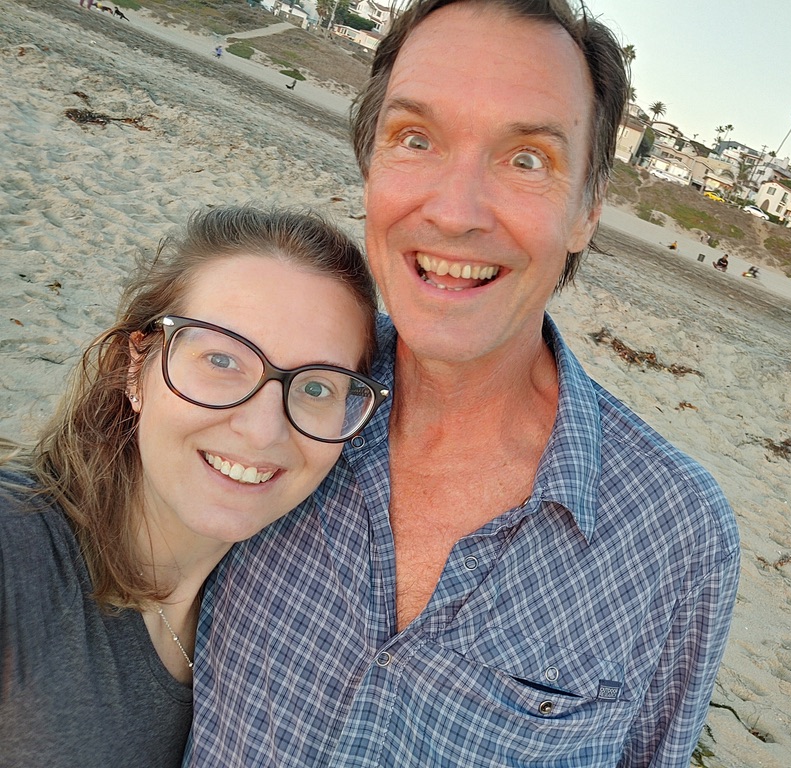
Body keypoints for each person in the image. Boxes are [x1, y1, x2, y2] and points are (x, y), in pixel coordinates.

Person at [188, 1, 740, 765]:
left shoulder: (675, 534)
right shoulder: (262, 396)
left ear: (587, 210)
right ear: (371, 167)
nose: (454, 214)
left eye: (527, 159)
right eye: (416, 139)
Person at [0, 207, 387, 767]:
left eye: (316, 388)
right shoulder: (18, 551)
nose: (263, 430)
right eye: (222, 359)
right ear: (135, 366)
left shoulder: (271, 605)